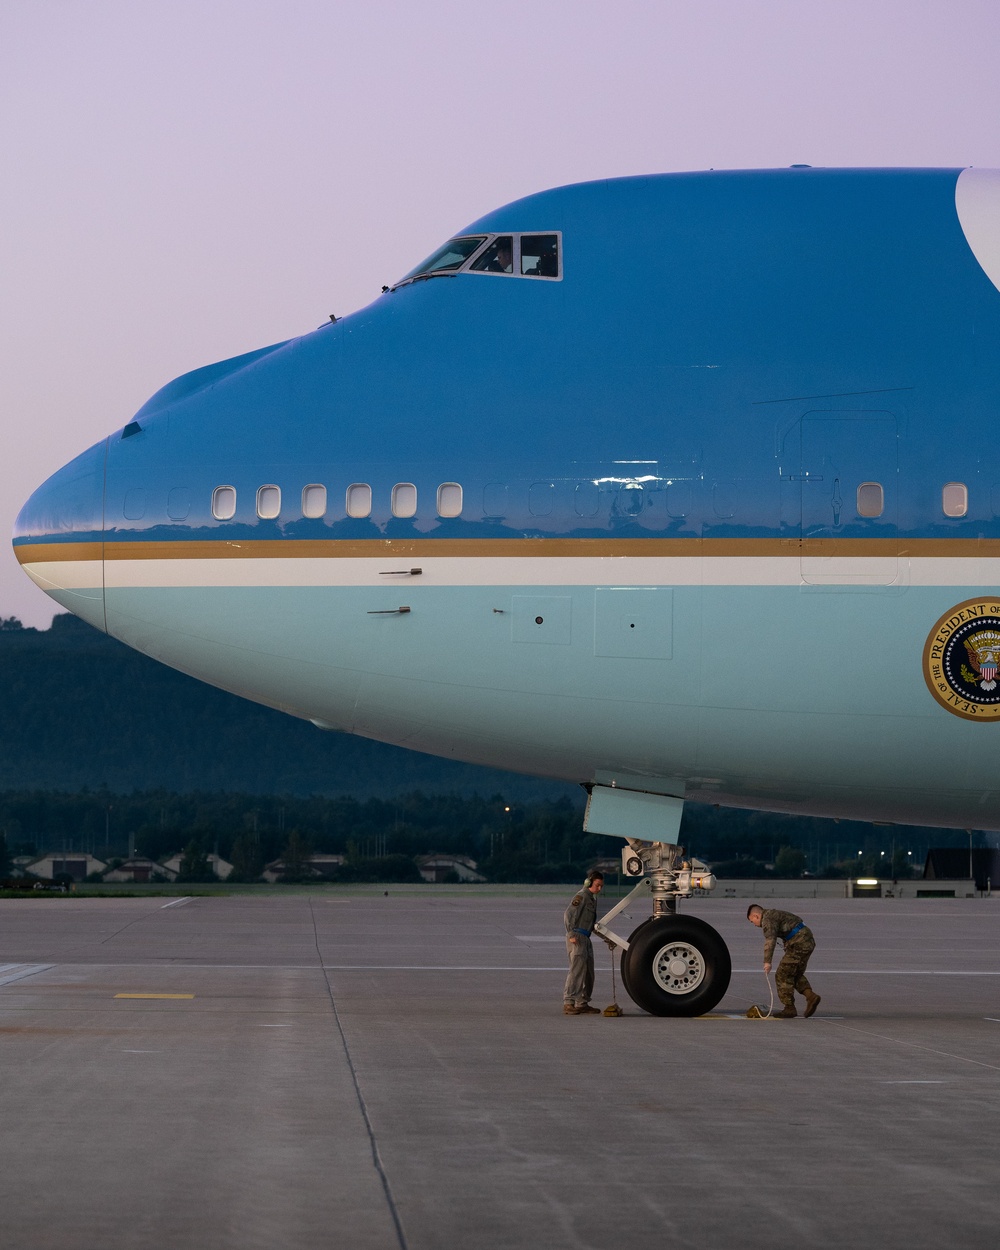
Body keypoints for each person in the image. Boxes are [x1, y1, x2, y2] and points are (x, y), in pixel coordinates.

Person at [747, 904, 821, 1018]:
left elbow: (770, 940)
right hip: (806, 941)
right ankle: (811, 996)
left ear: (756, 916)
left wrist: (767, 961)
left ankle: (789, 1008)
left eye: (752, 921)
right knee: (794, 973)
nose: (754, 925)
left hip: (799, 943)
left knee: (782, 974)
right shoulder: (773, 914)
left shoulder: (767, 919)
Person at [563, 871, 604, 1015]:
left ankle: (582, 1002)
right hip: (578, 937)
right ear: (589, 882)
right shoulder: (581, 896)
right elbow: (568, 914)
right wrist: (571, 934)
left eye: (601, 886)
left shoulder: (592, 899)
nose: (599, 889)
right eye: (597, 885)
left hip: (586, 938)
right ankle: (569, 1002)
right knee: (576, 970)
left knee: (588, 972)